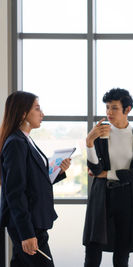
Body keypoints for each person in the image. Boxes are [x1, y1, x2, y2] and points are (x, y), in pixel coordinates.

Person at [0, 91, 71, 267]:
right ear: (23, 113)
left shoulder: (25, 140)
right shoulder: (16, 143)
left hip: (34, 221)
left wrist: (58, 172)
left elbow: (34, 182)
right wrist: (26, 233)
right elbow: (15, 192)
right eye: (37, 109)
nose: (42, 114)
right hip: (27, 224)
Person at [83, 88, 133, 267]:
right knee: (92, 251)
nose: (109, 113)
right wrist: (89, 142)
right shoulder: (101, 133)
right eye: (107, 108)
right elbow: (95, 170)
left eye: (114, 108)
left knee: (122, 254)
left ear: (127, 110)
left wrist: (108, 173)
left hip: (127, 196)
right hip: (101, 195)